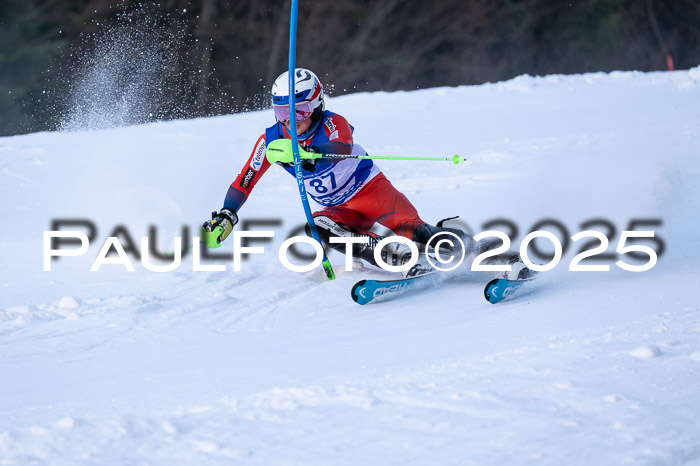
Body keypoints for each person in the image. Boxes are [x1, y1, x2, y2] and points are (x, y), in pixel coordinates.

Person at [202, 68, 528, 278]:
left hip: (370, 192)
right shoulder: (271, 140)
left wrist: (306, 155)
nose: (291, 119)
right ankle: (389, 255)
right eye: (281, 111)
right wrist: (228, 213)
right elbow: (245, 179)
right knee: (319, 226)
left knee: (416, 231)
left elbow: (340, 149)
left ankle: (480, 250)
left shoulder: (333, 123)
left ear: (315, 104)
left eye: (299, 110)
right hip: (339, 208)